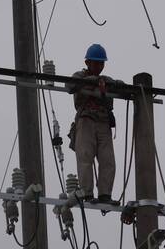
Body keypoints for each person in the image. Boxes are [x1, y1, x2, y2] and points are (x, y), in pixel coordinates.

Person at [66, 43, 120, 206]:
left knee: (108, 160)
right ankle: (87, 193)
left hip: (103, 122)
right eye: (95, 63)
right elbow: (69, 86)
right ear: (87, 63)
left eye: (101, 63)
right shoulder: (79, 77)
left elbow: (121, 87)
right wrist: (93, 81)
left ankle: (105, 194)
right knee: (85, 157)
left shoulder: (106, 80)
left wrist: (115, 85)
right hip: (86, 120)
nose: (98, 66)